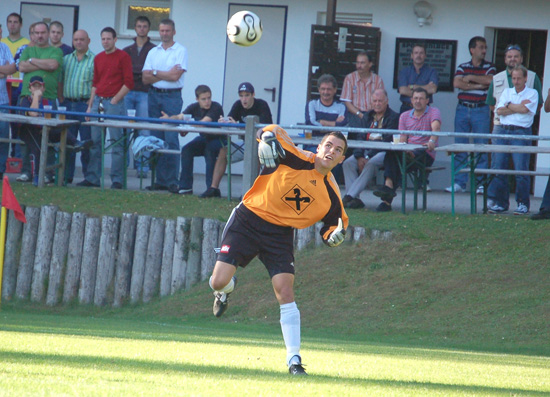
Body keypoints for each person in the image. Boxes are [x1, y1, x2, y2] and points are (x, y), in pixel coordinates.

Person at [209, 124, 349, 376]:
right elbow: (269, 129)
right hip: (249, 219)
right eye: (328, 145)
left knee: (285, 290)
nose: (331, 151)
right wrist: (266, 138)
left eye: (337, 150)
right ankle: (225, 290)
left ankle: (294, 361)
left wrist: (334, 237)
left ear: (341, 159)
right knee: (218, 281)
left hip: (280, 234)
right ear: (319, 147)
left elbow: (335, 226)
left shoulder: (331, 194)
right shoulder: (294, 156)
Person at [78, 27, 133, 189]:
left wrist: (115, 100)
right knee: (95, 142)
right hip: (98, 102)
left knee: (117, 142)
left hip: (114, 102)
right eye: (103, 39)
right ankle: (93, 177)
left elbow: (129, 83)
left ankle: (117, 180)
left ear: (115, 39)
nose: (105, 42)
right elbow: (95, 83)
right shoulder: (99, 58)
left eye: (108, 39)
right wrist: (90, 106)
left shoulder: (123, 57)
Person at [373, 87, 440, 212]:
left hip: (425, 152)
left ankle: (387, 195)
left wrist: (432, 141)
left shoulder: (433, 112)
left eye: (421, 98)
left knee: (397, 162)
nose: (418, 101)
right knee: (393, 154)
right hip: (408, 152)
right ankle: (388, 190)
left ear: (427, 100)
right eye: (415, 98)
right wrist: (404, 150)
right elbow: (402, 139)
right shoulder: (404, 116)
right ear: (411, 100)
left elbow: (435, 128)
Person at [201, 82, 272, 198]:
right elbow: (230, 120)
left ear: (253, 95)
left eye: (247, 95)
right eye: (241, 95)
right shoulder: (238, 105)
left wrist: (238, 125)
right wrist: (223, 122)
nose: (244, 99)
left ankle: (249, 191)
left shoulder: (261, 105)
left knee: (256, 154)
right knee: (223, 151)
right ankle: (214, 188)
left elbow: (264, 128)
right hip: (245, 144)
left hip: (262, 145)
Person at [445, 36, 496, 195]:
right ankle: (459, 182)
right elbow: (457, 83)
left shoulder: (489, 67)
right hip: (462, 109)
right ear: (472, 50)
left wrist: (472, 79)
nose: (484, 50)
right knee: (460, 145)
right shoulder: (462, 66)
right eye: (481, 47)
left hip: (481, 109)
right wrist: (481, 85)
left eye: (485, 47)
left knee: (481, 145)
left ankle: (480, 184)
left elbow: (491, 80)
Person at [18, 76, 90, 185]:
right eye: (34, 86)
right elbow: (33, 113)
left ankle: (76, 143)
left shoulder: (47, 101)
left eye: (39, 86)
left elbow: (50, 119)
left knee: (62, 130)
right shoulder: (25, 100)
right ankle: (37, 177)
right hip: (28, 129)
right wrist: (36, 97)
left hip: (42, 129)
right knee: (39, 148)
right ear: (30, 88)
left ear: (44, 88)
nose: (37, 89)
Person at [142, 18, 187, 193]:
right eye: (162, 31)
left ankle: (172, 181)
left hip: (172, 98)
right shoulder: (153, 52)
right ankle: (159, 180)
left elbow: (175, 77)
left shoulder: (181, 51)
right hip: (154, 96)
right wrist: (164, 73)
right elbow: (145, 78)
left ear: (173, 32)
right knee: (156, 139)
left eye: (167, 31)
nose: (164, 34)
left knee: (171, 138)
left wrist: (155, 72)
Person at [487, 66, 538, 215]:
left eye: (519, 78)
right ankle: (501, 203)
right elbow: (499, 111)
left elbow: (525, 111)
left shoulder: (532, 93)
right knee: (499, 168)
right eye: (513, 78)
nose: (516, 81)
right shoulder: (506, 92)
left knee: (521, 170)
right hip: (503, 130)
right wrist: (516, 106)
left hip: (521, 133)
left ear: (525, 78)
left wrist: (508, 105)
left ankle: (522, 204)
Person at [18, 21, 63, 184]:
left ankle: (47, 172)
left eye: (43, 32)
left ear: (48, 33)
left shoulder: (55, 51)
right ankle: (26, 171)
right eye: (36, 33)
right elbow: (22, 67)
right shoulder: (27, 50)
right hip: (25, 98)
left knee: (48, 135)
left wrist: (32, 61)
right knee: (26, 133)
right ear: (32, 34)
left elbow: (53, 65)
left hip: (48, 98)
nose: (40, 35)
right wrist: (38, 63)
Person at [342, 89, 398, 209]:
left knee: (371, 163)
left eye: (380, 101)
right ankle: (355, 200)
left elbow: (387, 140)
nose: (377, 103)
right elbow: (360, 137)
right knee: (347, 163)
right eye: (375, 101)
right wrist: (359, 156)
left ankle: (349, 196)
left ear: (386, 101)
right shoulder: (367, 116)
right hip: (365, 151)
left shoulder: (393, 117)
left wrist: (367, 157)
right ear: (371, 102)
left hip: (382, 151)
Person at [164, 85, 224, 196]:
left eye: (209, 98)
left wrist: (187, 125)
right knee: (187, 149)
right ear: (197, 99)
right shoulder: (193, 107)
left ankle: (211, 188)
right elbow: (179, 117)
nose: (207, 101)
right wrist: (169, 119)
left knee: (209, 150)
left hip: (218, 139)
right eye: (204, 99)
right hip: (203, 138)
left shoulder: (216, 107)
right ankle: (185, 187)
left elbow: (203, 123)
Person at [123, 15, 156, 179]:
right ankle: (123, 166)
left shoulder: (154, 49)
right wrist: (142, 72)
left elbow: (151, 73)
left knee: (144, 130)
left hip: (145, 93)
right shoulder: (127, 50)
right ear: (135, 28)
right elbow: (125, 72)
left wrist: (141, 73)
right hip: (127, 92)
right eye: (139, 26)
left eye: (144, 26)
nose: (141, 29)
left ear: (148, 29)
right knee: (125, 130)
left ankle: (142, 167)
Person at [60, 30, 95, 183]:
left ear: (89, 40)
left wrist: (91, 103)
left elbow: (97, 84)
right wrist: (61, 98)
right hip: (68, 104)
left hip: (84, 105)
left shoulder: (95, 60)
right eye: (76, 39)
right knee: (67, 142)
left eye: (82, 39)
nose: (79, 42)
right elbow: (60, 80)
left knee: (86, 142)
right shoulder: (66, 59)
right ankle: (66, 176)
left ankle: (89, 177)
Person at [340, 52, 384, 127]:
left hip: (373, 115)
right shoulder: (350, 78)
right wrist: (360, 114)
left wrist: (372, 115)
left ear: (370, 64)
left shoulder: (377, 80)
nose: (359, 66)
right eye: (357, 63)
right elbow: (347, 102)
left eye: (362, 63)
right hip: (355, 114)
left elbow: (381, 101)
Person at [398, 44, 438, 114]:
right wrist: (425, 89)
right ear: (412, 55)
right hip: (406, 108)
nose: (418, 55)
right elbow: (403, 90)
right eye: (416, 53)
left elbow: (433, 89)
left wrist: (412, 86)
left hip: (425, 109)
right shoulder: (404, 72)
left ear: (425, 56)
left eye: (421, 53)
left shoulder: (432, 71)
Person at [0, 28, 16, 180]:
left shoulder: (4, 47)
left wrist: (5, 71)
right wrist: (2, 71)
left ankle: (0, 169)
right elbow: (6, 71)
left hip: (2, 101)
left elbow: (12, 68)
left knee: (3, 136)